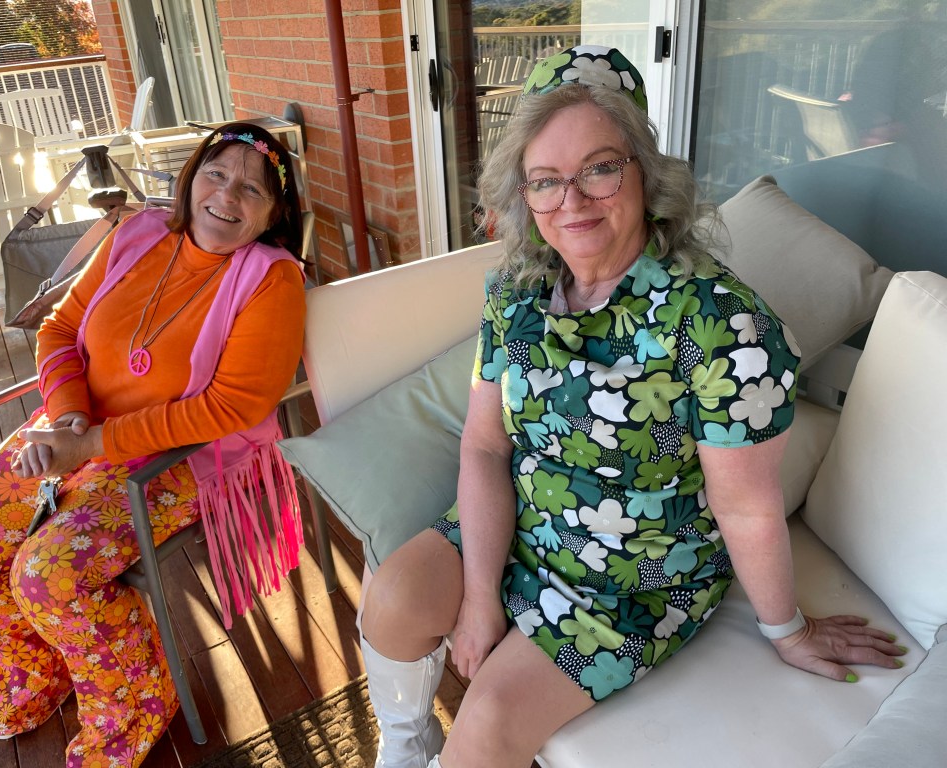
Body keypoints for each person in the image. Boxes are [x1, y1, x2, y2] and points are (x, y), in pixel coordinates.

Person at [357, 46, 907, 768]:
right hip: (519, 521)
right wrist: (481, 594)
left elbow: (745, 507)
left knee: (486, 726)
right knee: (391, 600)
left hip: (632, 579)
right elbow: (487, 447)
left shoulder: (721, 324)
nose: (572, 200)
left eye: (600, 168)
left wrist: (788, 630)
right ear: (524, 194)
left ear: (646, 174)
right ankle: (403, 749)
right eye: (545, 180)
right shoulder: (516, 289)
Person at [0, 122, 307, 767]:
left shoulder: (272, 281)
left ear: (273, 213)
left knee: (47, 576)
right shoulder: (137, 234)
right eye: (216, 174)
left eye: (252, 190)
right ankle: (38, 661)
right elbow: (59, 329)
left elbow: (231, 408)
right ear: (191, 178)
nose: (227, 196)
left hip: (180, 459)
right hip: (80, 430)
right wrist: (72, 417)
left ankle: (136, 701)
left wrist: (91, 445)